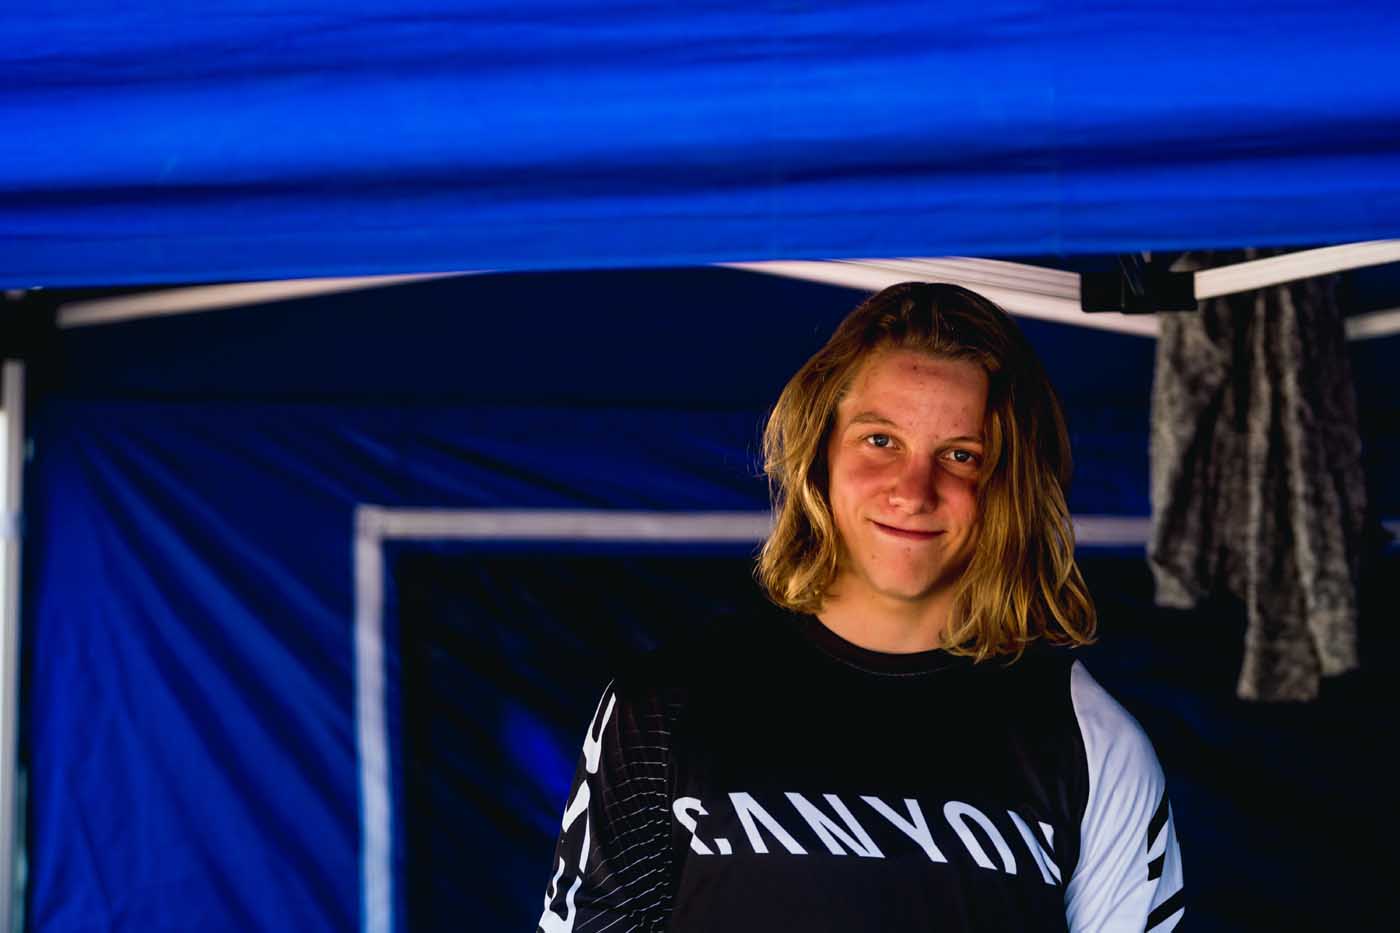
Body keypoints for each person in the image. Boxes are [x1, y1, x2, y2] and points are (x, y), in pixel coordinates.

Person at [537, 282, 1184, 932]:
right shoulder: (663, 708)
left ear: (1010, 488)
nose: (914, 489)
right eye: (881, 440)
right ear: (821, 450)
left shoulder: (1092, 744)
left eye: (962, 455)